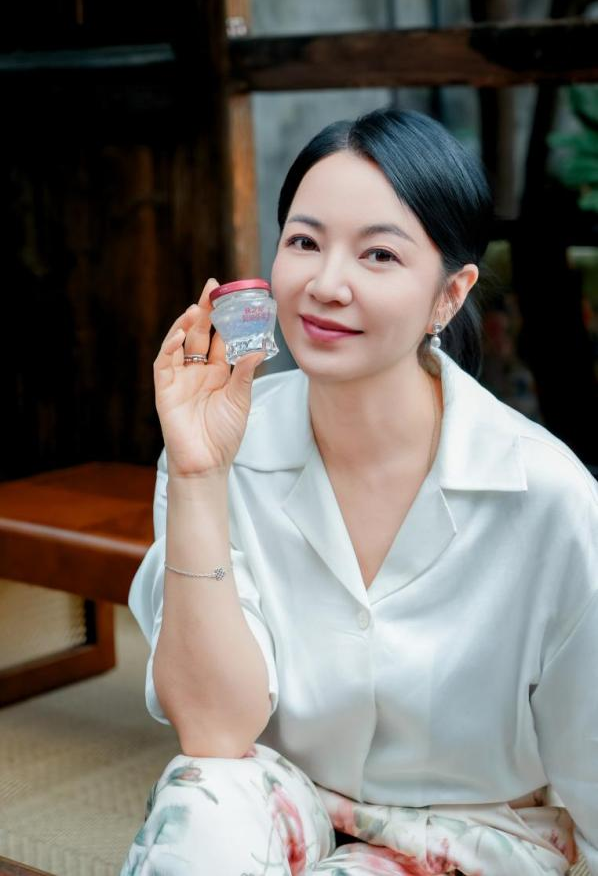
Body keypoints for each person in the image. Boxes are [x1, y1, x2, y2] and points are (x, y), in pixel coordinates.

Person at [121, 109, 598, 876]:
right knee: (198, 806)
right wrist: (200, 475)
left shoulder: (549, 495)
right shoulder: (220, 445)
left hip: (479, 829)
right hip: (293, 796)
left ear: (450, 294)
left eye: (379, 253)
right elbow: (213, 732)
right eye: (304, 242)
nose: (325, 284)